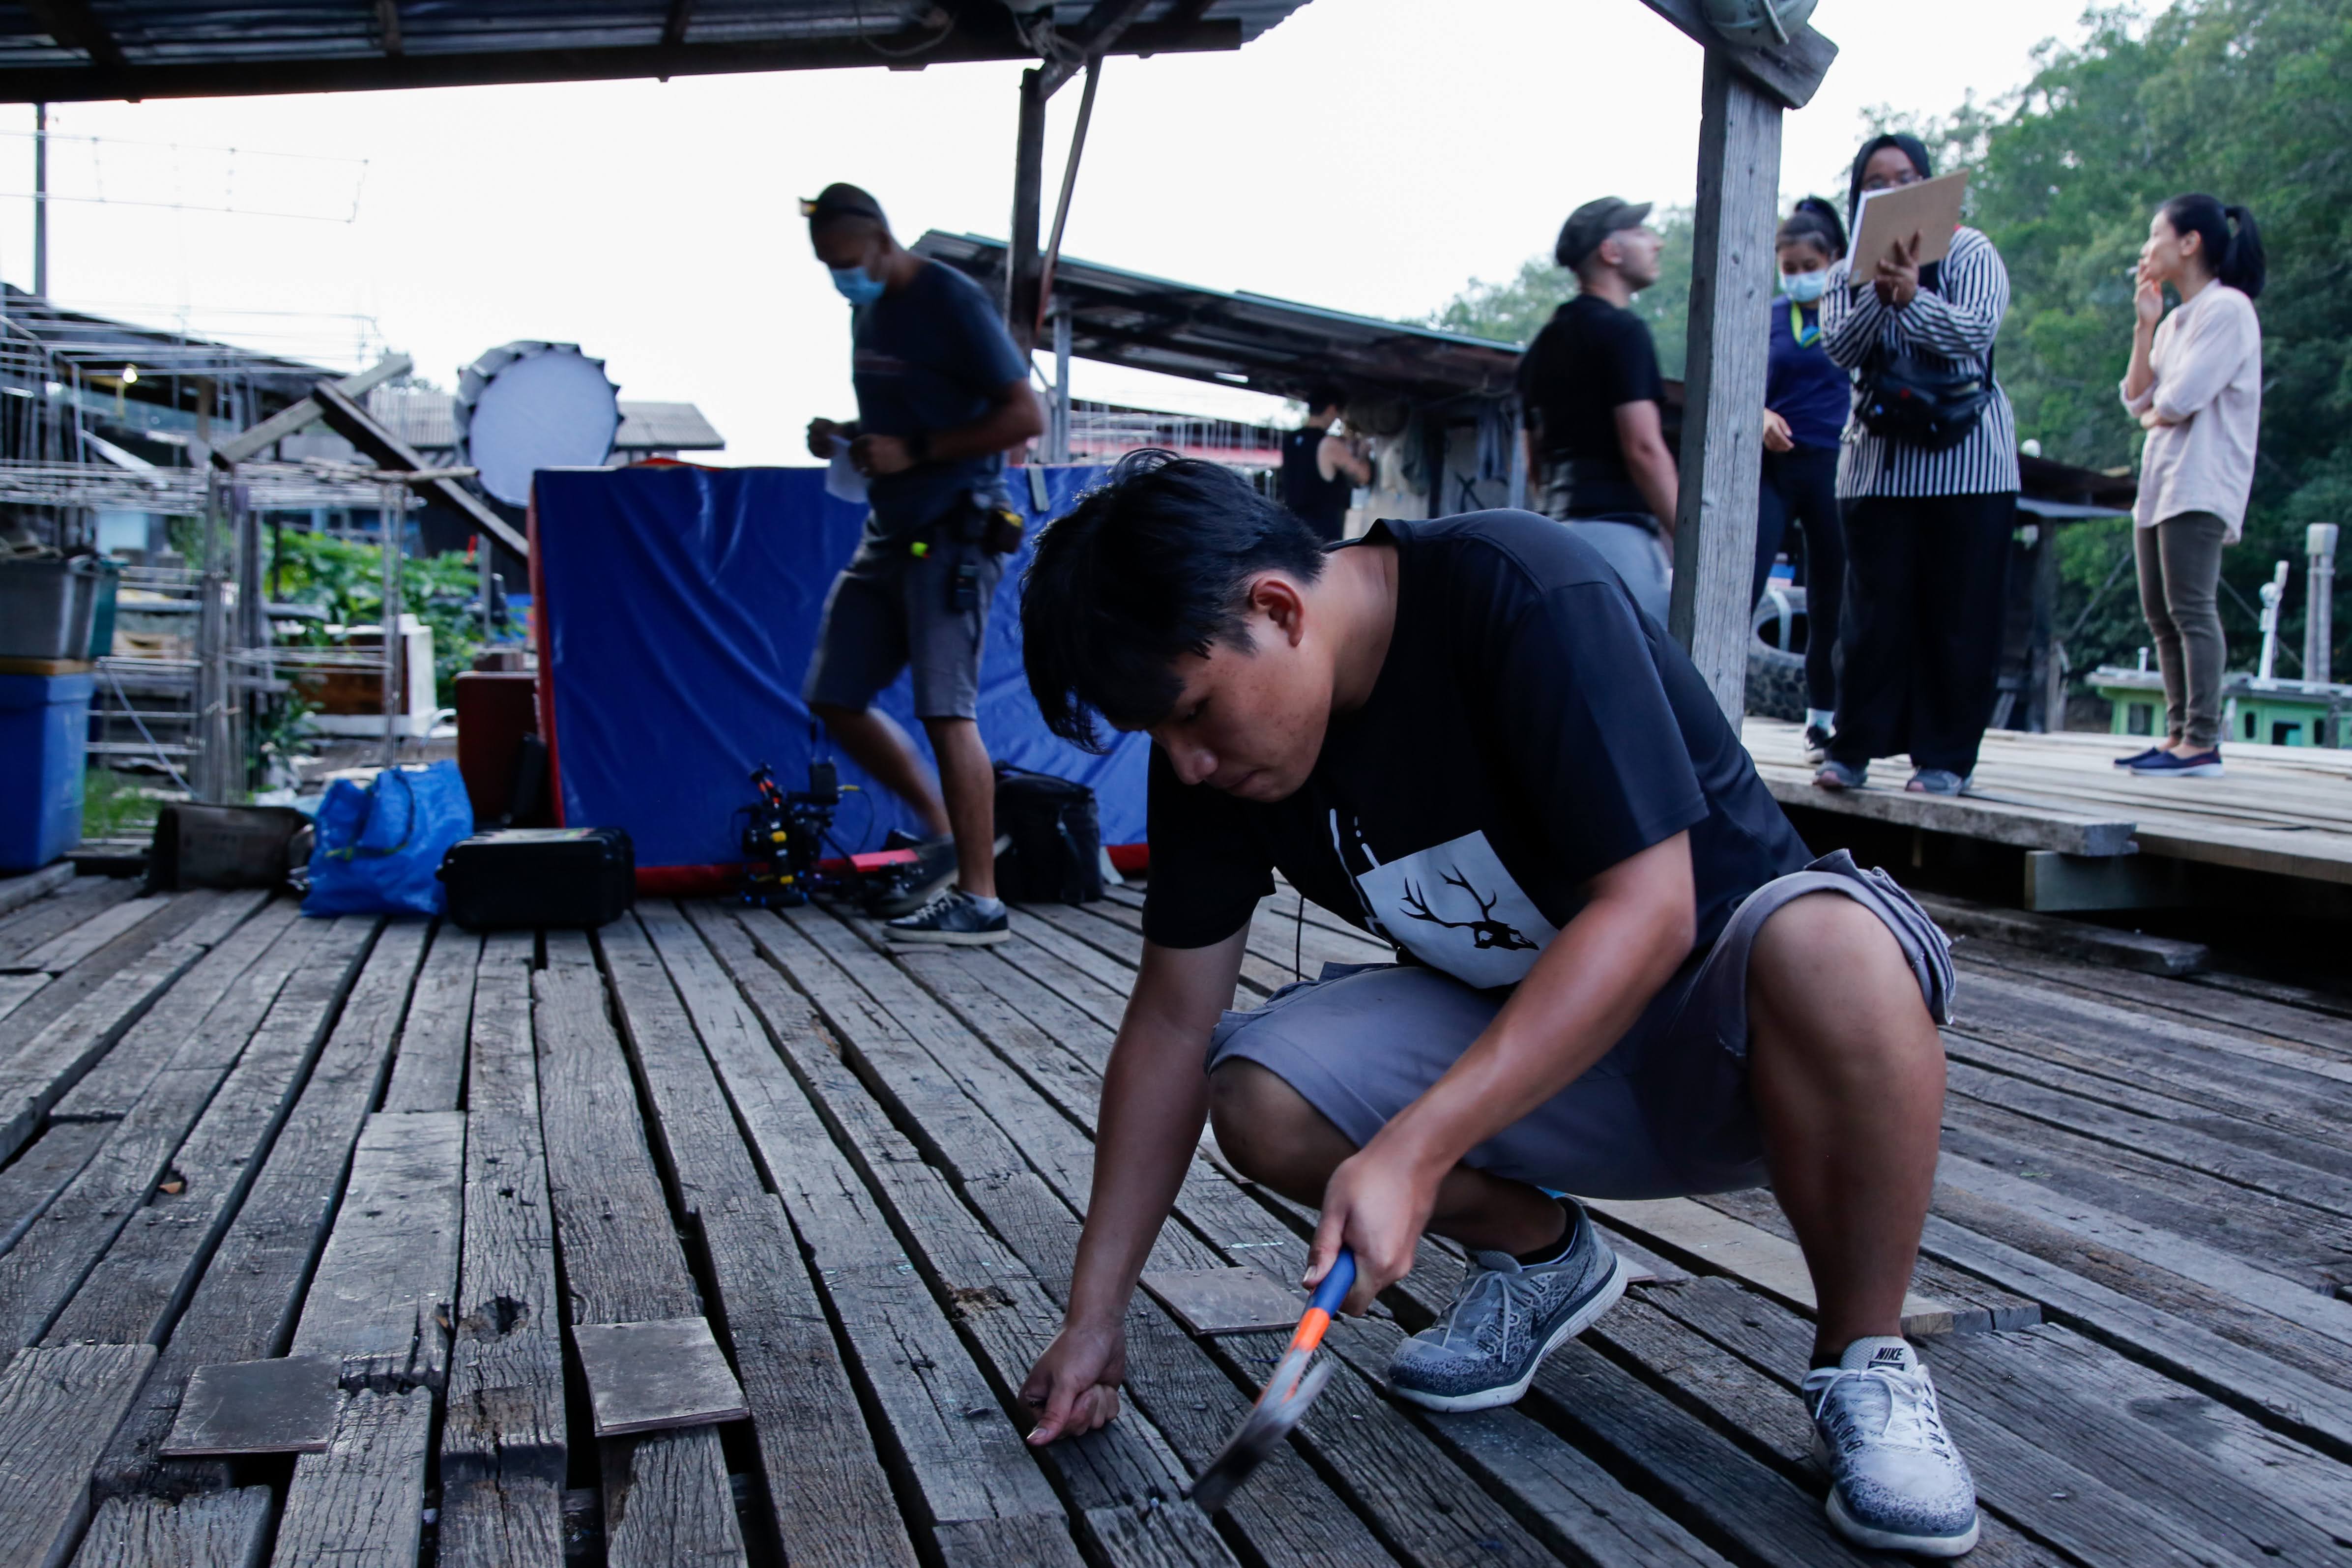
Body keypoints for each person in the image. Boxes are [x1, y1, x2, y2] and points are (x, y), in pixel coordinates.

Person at [1014, 451, 1983, 1559]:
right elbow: (1174, 1019)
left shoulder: (1518, 589)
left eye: (1190, 714)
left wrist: (1414, 1151)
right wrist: (1096, 1309)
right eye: (1159, 737)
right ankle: (1542, 1255)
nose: (1183, 764)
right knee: (1259, 1092)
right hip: (1545, 1068)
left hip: (1741, 1051)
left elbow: (1650, 912)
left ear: (1275, 608)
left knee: (1833, 941)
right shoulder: (1225, 756)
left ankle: (1866, 1359)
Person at [800, 182, 1044, 944]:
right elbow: (909, 408)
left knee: (947, 708)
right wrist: (849, 433)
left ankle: (981, 898)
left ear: (882, 241)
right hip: (889, 527)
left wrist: (919, 451)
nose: (842, 278)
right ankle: (941, 834)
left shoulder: (951, 302)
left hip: (954, 527)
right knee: (835, 693)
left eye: (848, 262)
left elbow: (1024, 417)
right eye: (828, 267)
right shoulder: (865, 309)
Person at [1813, 134, 2020, 799]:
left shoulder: (1969, 249)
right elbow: (1840, 347)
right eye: (1877, 181)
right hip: (1877, 466)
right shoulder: (1844, 268)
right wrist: (1878, 291)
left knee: (1961, 616)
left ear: (1930, 185)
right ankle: (1851, 749)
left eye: (1906, 178)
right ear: (1859, 197)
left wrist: (1914, 298)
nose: (1894, 190)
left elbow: (1975, 332)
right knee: (1871, 617)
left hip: (1970, 463)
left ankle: (1946, 759)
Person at [2115, 195, 2265, 779]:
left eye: (2155, 235)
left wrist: (2158, 410)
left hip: (2201, 481)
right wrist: (2145, 323)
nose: (2147, 249)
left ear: (2190, 242)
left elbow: (2177, 399)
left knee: (2192, 608)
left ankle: (2202, 739)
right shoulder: (2177, 320)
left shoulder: (2228, 310)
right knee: (2160, 614)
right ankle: (2178, 734)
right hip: (2161, 483)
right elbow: (2137, 398)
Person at [1518, 197, 1679, 625]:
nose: (1656, 243)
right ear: (1611, 252)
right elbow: (1643, 447)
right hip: (1617, 539)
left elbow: (1533, 460)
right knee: (1637, 673)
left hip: (1554, 536)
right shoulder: (1624, 333)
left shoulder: (1539, 348)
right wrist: (1692, 535)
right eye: (1642, 233)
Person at [1759, 197, 1853, 766]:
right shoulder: (1769, 315)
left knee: (1829, 597)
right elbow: (1738, 380)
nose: (1797, 278)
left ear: (1834, 259)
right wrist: (1759, 414)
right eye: (1788, 269)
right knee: (1744, 583)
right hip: (1774, 466)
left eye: (1807, 267)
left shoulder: (1853, 312)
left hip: (1833, 466)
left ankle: (1824, 719)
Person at [1279, 383, 1374, 544]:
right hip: (1321, 537)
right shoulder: (1329, 444)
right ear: (1332, 409)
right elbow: (1363, 476)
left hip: (1292, 531)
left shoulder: (1290, 440)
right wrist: (1363, 451)